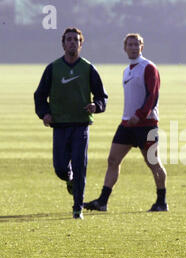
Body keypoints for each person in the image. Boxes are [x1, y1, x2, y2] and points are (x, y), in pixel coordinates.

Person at [84, 33, 168, 213]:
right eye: (130, 44)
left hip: (146, 124)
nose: (133, 47)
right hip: (127, 124)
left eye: (136, 44)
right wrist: (131, 117)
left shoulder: (149, 67)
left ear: (142, 46)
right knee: (113, 160)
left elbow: (152, 95)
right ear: (125, 48)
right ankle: (102, 201)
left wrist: (140, 114)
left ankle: (162, 201)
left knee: (153, 163)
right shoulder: (127, 70)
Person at [34, 27, 108, 220]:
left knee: (79, 165)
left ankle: (78, 208)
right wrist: (44, 114)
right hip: (59, 125)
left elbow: (102, 97)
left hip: (81, 125)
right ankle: (69, 179)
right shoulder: (53, 68)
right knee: (60, 168)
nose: (72, 42)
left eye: (76, 40)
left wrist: (96, 106)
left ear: (81, 44)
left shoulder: (88, 68)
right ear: (63, 43)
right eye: (69, 39)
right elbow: (40, 95)